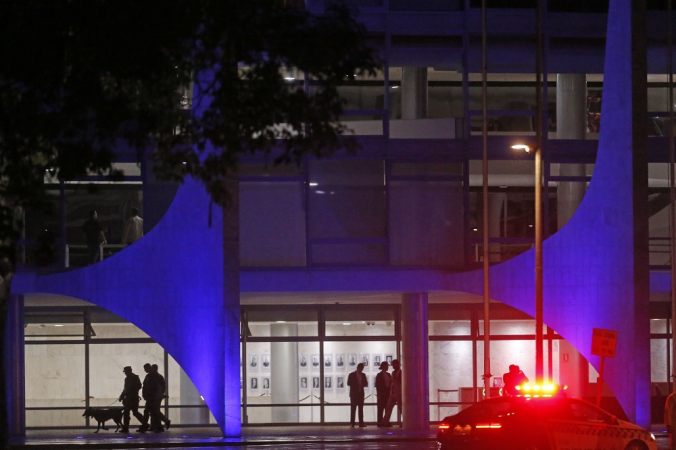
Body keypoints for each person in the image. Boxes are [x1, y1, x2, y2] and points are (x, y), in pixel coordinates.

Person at [117, 366, 143, 433]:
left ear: (129, 371)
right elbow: (125, 389)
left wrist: (126, 394)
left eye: (125, 371)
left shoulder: (135, 377)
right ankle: (144, 424)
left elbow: (139, 386)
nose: (125, 373)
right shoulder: (128, 379)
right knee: (130, 413)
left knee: (131, 413)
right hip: (130, 399)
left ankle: (126, 428)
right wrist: (122, 396)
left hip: (132, 399)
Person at [347, 363, 368, 428]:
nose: (361, 370)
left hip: (360, 394)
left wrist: (362, 384)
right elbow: (348, 383)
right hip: (354, 394)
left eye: (362, 368)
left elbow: (366, 383)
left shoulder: (363, 375)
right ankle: (352, 423)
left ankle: (361, 423)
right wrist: (357, 384)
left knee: (361, 409)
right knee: (353, 409)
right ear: (358, 367)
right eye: (360, 368)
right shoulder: (351, 374)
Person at [151, 364, 170, 431]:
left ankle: (164, 422)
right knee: (155, 411)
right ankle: (158, 425)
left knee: (155, 411)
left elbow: (159, 387)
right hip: (157, 396)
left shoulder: (156, 377)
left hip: (156, 397)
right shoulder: (158, 377)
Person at [383, 359, 401, 427]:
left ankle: (405, 422)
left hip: (398, 392)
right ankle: (385, 422)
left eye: (394, 364)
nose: (393, 366)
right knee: (388, 407)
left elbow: (400, 381)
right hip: (393, 392)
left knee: (401, 408)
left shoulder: (400, 372)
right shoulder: (393, 372)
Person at [375, 361, 391, 427]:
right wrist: (379, 393)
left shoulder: (388, 374)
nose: (387, 367)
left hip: (387, 393)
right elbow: (377, 385)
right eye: (387, 366)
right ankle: (380, 422)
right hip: (382, 393)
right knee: (380, 408)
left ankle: (386, 421)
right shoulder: (379, 375)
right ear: (384, 366)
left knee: (387, 408)